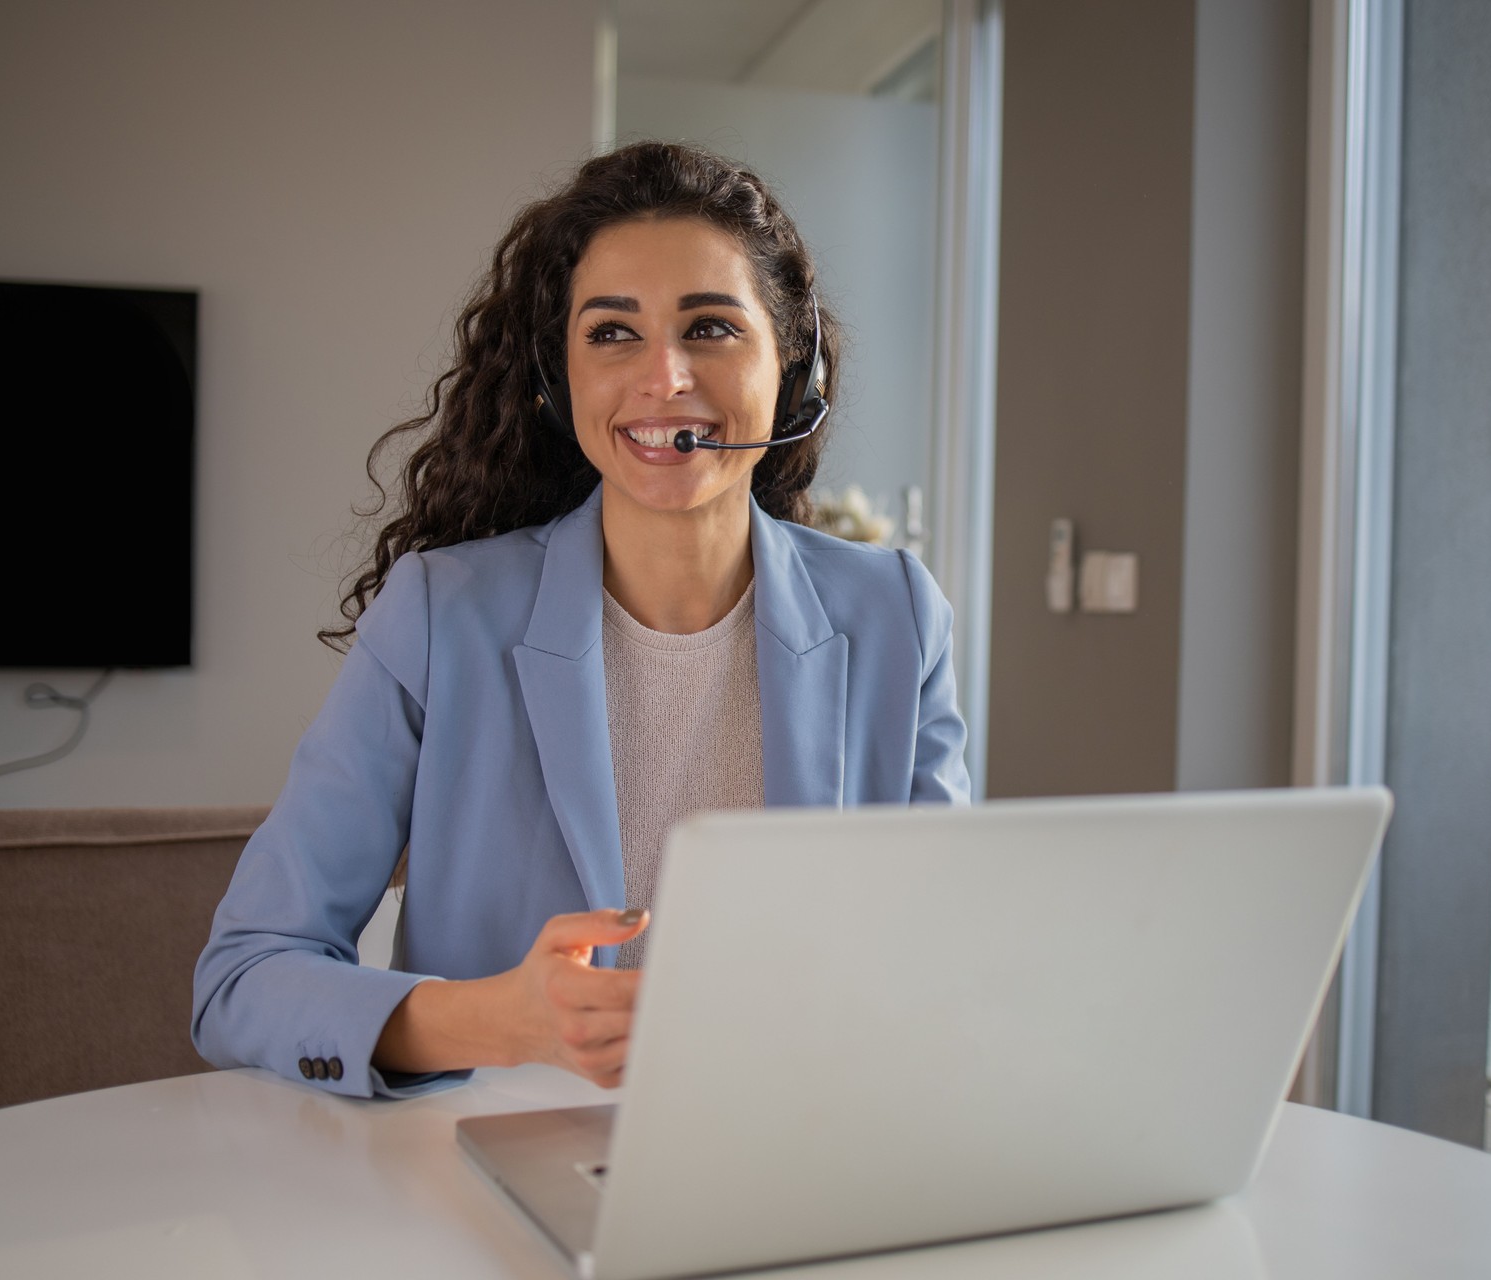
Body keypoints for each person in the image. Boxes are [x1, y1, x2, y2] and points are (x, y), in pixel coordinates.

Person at [191, 141, 969, 1100]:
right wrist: (497, 1020)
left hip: (797, 1147)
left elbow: (946, 962)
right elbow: (242, 977)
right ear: (560, 379)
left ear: (791, 366)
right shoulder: (443, 617)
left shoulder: (894, 614)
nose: (664, 378)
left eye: (712, 327)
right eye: (611, 334)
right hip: (489, 1173)